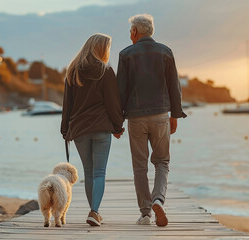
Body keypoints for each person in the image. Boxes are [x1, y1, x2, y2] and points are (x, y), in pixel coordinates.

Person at [116, 14, 187, 227]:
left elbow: (121, 91)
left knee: (140, 167)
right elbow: (174, 86)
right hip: (160, 116)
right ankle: (158, 199)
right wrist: (175, 114)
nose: (130, 35)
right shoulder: (165, 52)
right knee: (162, 162)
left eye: (130, 31)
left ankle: (146, 213)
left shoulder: (125, 54)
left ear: (136, 32)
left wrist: (117, 122)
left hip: (135, 118)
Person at [60, 33, 124, 227]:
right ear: (101, 49)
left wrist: (65, 130)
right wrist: (118, 126)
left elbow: (67, 104)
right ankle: (94, 211)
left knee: (89, 173)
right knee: (99, 173)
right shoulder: (105, 71)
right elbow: (113, 103)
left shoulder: (73, 71)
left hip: (79, 129)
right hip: (101, 128)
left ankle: (94, 212)